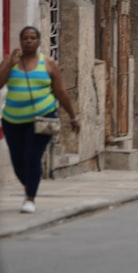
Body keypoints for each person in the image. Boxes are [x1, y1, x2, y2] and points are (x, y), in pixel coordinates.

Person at [0, 25, 81, 214]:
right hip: (12, 120)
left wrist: (73, 117)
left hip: (43, 118)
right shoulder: (11, 62)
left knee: (32, 156)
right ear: (20, 41)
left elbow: (61, 92)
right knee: (18, 160)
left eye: (33, 38)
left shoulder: (48, 64)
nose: (29, 41)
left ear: (38, 41)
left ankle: (30, 198)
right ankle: (30, 183)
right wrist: (8, 64)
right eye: (25, 38)